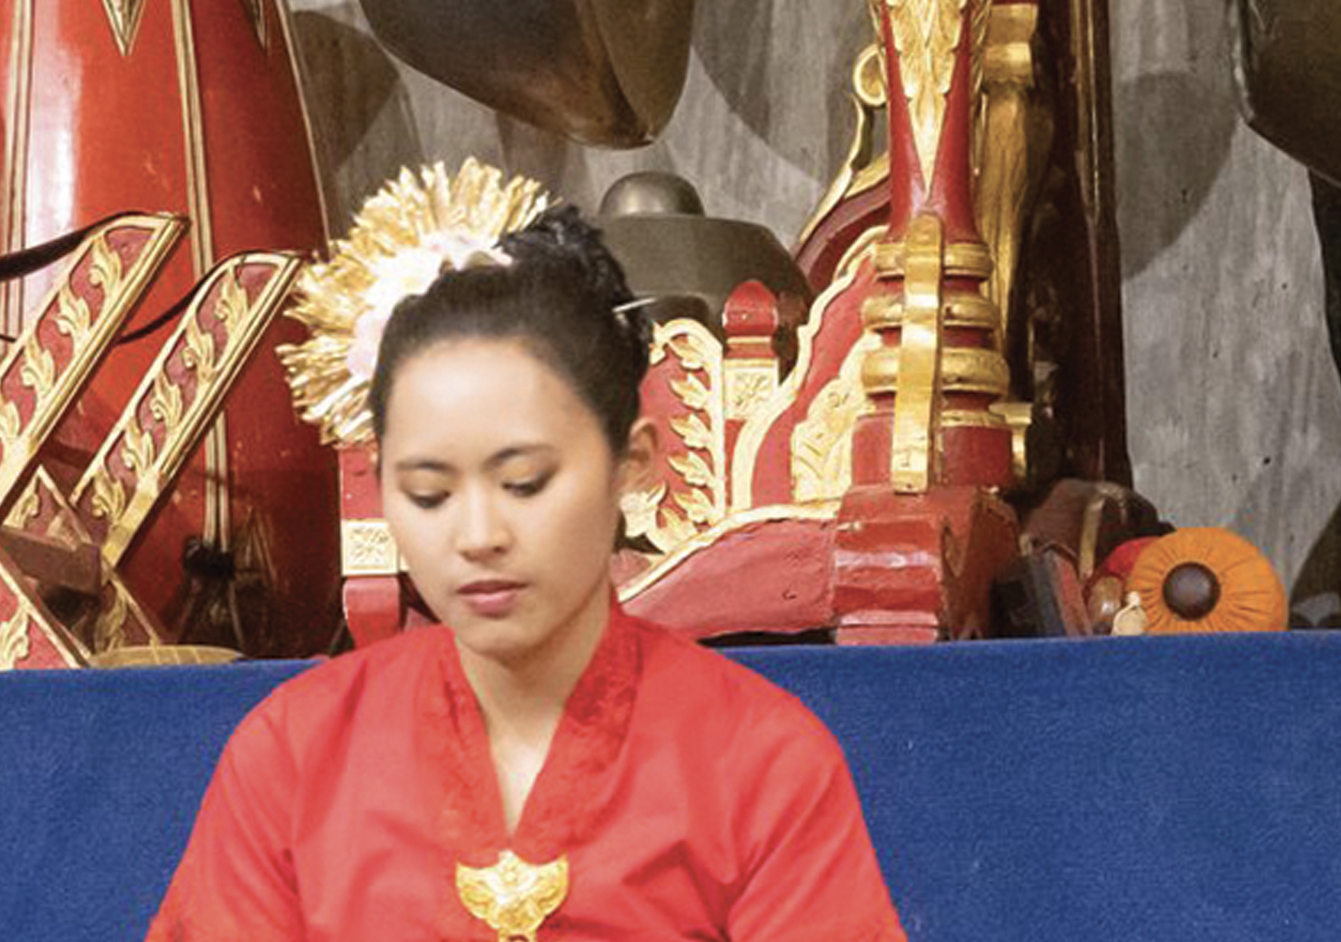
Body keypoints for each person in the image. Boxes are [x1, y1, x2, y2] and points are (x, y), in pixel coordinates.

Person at [149, 206, 908, 941]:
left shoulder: (759, 760)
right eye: (428, 493)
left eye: (525, 482)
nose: (478, 536)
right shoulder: (293, 753)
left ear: (631, 464)